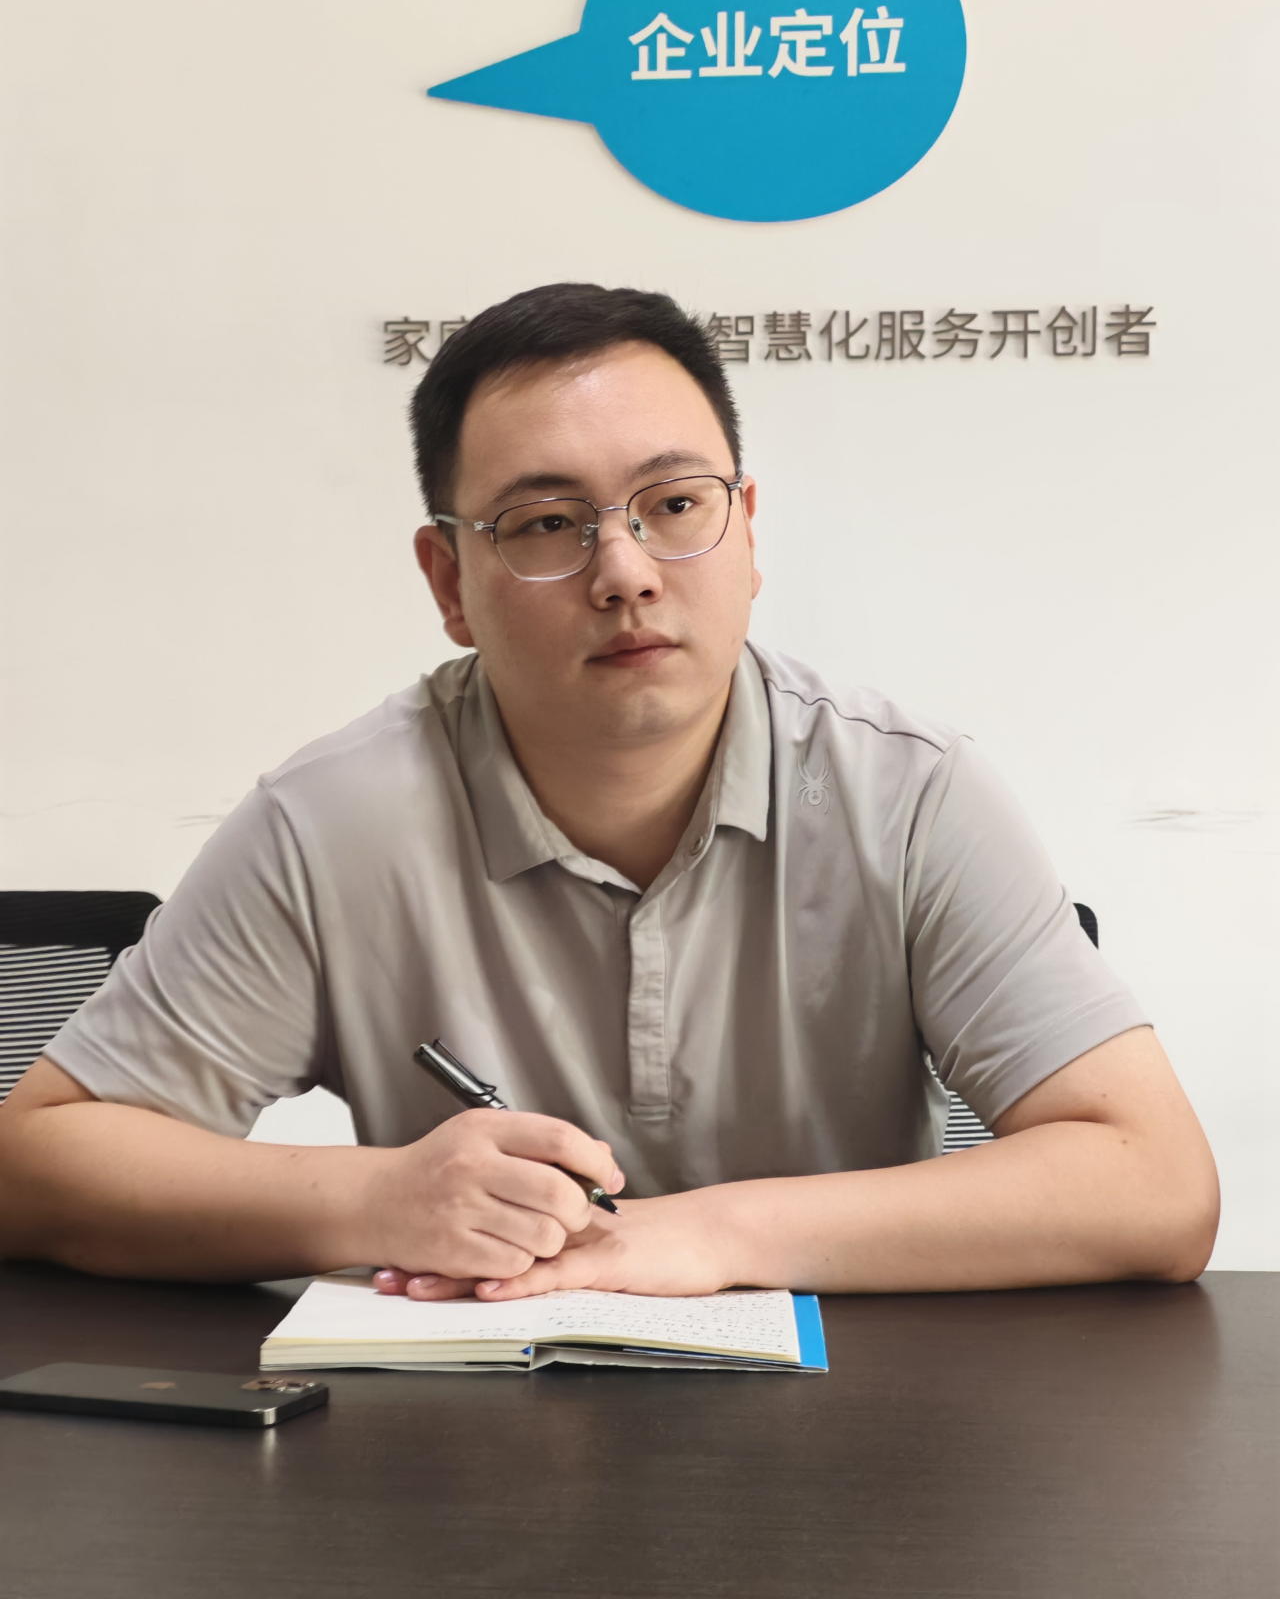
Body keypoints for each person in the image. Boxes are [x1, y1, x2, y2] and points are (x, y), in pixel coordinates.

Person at [0, 284, 1218, 1301]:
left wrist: (703, 1235)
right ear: (449, 580)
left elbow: (1154, 1183)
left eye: (674, 505)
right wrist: (377, 1197)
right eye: (545, 523)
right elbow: (35, 1162)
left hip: (852, 1446)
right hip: (453, 1453)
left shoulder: (905, 793)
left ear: (746, 531)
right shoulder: (331, 821)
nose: (623, 571)